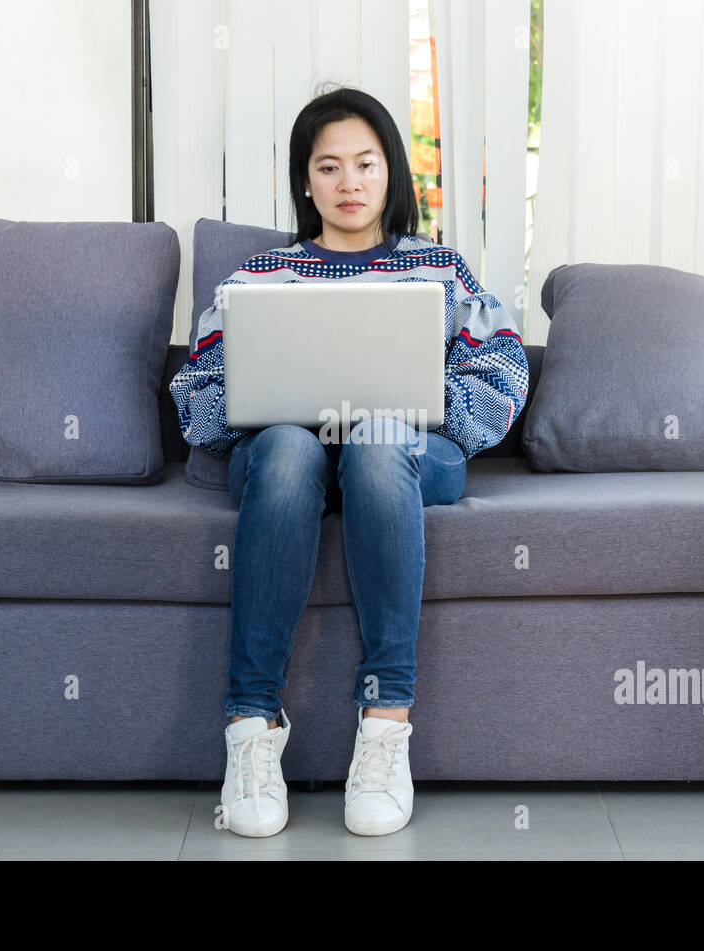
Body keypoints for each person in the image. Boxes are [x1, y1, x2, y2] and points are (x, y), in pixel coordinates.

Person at [168, 85, 529, 838]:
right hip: (284, 460)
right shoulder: (255, 278)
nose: (350, 183)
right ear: (306, 180)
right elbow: (196, 389)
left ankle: (386, 724)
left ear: (390, 172)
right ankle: (251, 729)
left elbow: (502, 368)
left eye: (365, 164)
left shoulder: (440, 268)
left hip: (405, 454)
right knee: (294, 449)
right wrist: (265, 407)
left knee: (375, 443)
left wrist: (433, 414)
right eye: (329, 167)